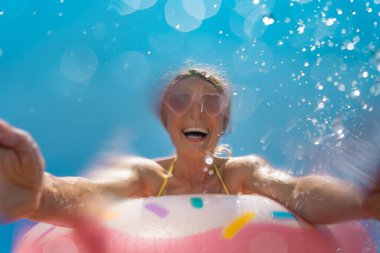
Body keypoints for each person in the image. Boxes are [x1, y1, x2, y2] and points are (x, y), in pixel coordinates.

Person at [0, 66, 379, 228]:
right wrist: (40, 194)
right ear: (168, 122)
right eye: (180, 101)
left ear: (224, 125)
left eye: (212, 104)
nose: (197, 110)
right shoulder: (147, 177)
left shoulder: (241, 174)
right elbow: (93, 194)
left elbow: (294, 191)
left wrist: (362, 203)